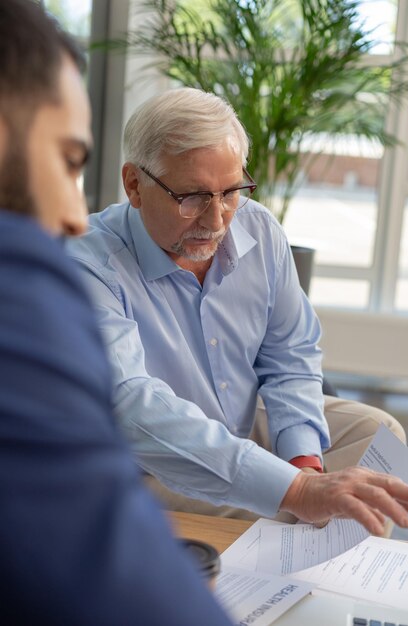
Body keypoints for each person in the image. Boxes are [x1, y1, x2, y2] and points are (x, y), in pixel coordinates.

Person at [68, 87, 408, 537]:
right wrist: (295, 491)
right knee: (285, 507)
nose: (216, 221)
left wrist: (304, 464)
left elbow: (290, 354)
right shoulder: (87, 266)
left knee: (380, 435)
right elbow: (133, 408)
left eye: (231, 191)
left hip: (241, 420)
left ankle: (319, 565)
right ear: (134, 184)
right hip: (151, 462)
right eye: (192, 196)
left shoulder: (259, 229)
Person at [0, 3, 236, 625]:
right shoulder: (25, 281)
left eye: (229, 193)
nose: (73, 213)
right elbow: (119, 576)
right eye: (68, 161)